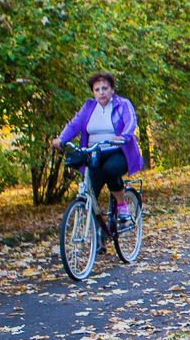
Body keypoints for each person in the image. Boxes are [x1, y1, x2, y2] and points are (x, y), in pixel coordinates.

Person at [52, 72, 145, 230]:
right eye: (97, 89)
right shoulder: (88, 107)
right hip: (94, 152)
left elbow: (131, 122)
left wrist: (123, 136)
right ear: (93, 92)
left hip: (117, 151)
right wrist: (61, 139)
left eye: (105, 88)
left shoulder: (122, 104)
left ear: (112, 90)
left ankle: (122, 208)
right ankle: (99, 234)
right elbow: (74, 125)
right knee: (90, 192)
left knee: (110, 170)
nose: (101, 92)